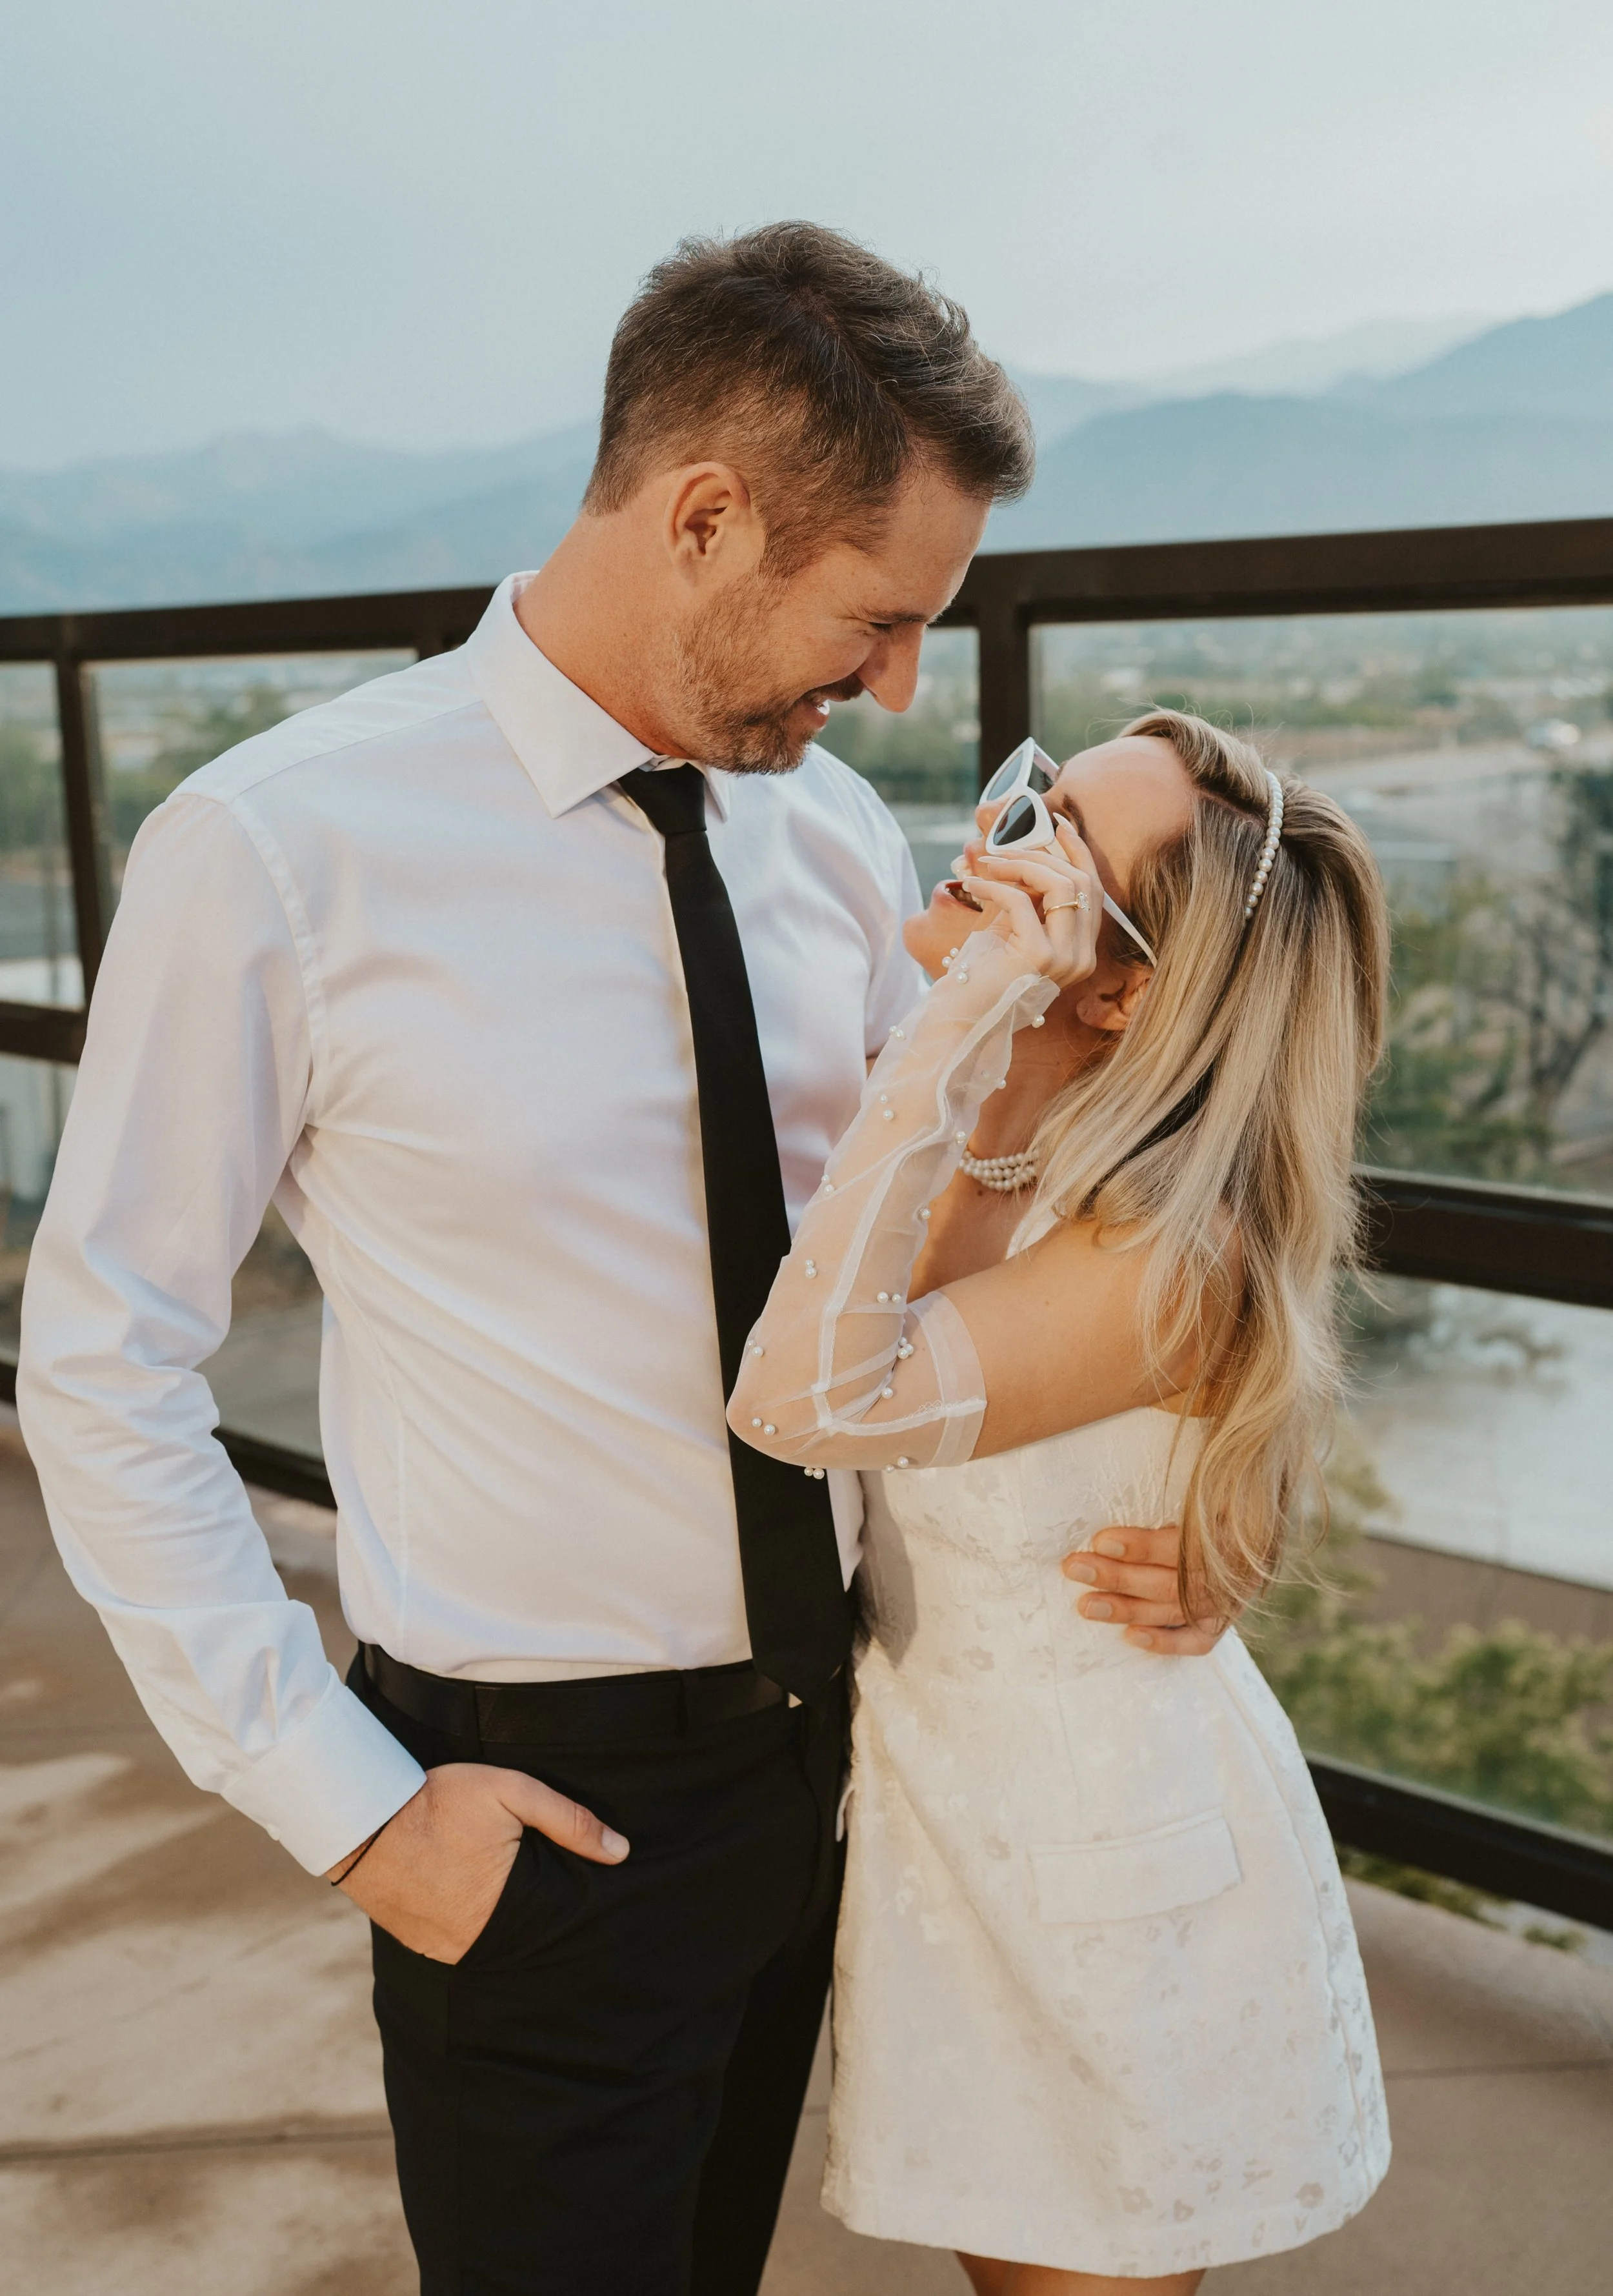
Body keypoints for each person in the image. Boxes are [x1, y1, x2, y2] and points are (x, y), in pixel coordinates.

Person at [18, 225, 1215, 2296]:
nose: (900, 686)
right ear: (703, 516)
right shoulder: (276, 846)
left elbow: (929, 1279)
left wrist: (1191, 1501)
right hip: (529, 1804)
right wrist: (352, 1805)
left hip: (833, 1751)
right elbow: (100, 1360)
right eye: (879, 615)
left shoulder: (827, 834)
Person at [730, 712, 1394, 2293]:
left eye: (1052, 838)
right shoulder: (1006, 1140)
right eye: (1030, 786)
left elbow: (800, 1404)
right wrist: (980, 1054)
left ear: (1120, 990)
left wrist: (955, 1024)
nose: (989, 833)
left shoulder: (1168, 1249)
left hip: (1108, 1882)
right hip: (956, 1838)